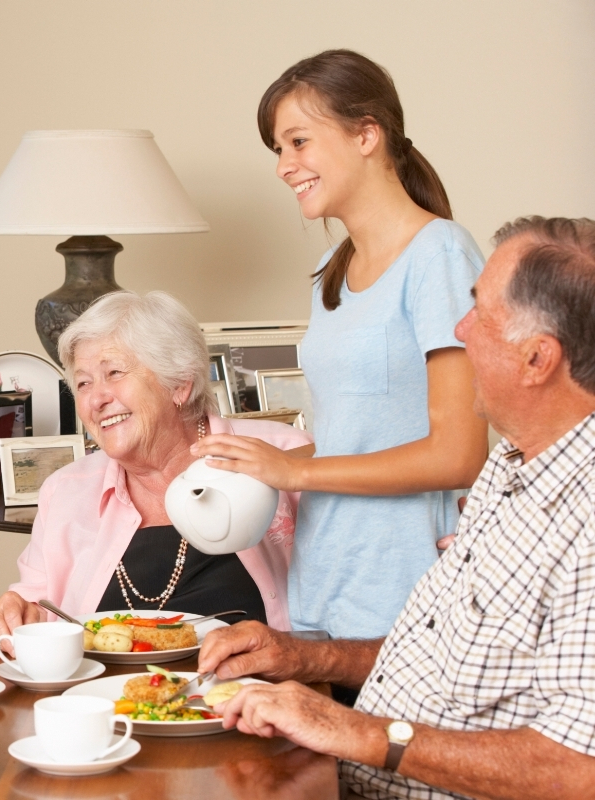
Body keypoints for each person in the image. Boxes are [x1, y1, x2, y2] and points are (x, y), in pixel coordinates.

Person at [197, 217, 595, 800]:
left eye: (480, 316)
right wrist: (304, 658)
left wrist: (357, 732)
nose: (458, 330)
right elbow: (440, 653)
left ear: (538, 359)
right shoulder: (512, 469)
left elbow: (577, 768)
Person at [193, 50, 490, 641]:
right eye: (278, 149)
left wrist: (293, 471)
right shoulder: (333, 266)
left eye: (298, 141)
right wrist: (259, 464)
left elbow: (459, 454)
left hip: (407, 585)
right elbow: (353, 440)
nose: (284, 166)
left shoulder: (440, 255)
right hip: (325, 577)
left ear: (367, 135)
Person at [0, 291, 312, 648]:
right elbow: (35, 605)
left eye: (114, 372)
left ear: (180, 383)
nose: (96, 399)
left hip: (248, 695)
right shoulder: (66, 490)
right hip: (103, 699)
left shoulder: (286, 457)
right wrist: (15, 614)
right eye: (83, 382)